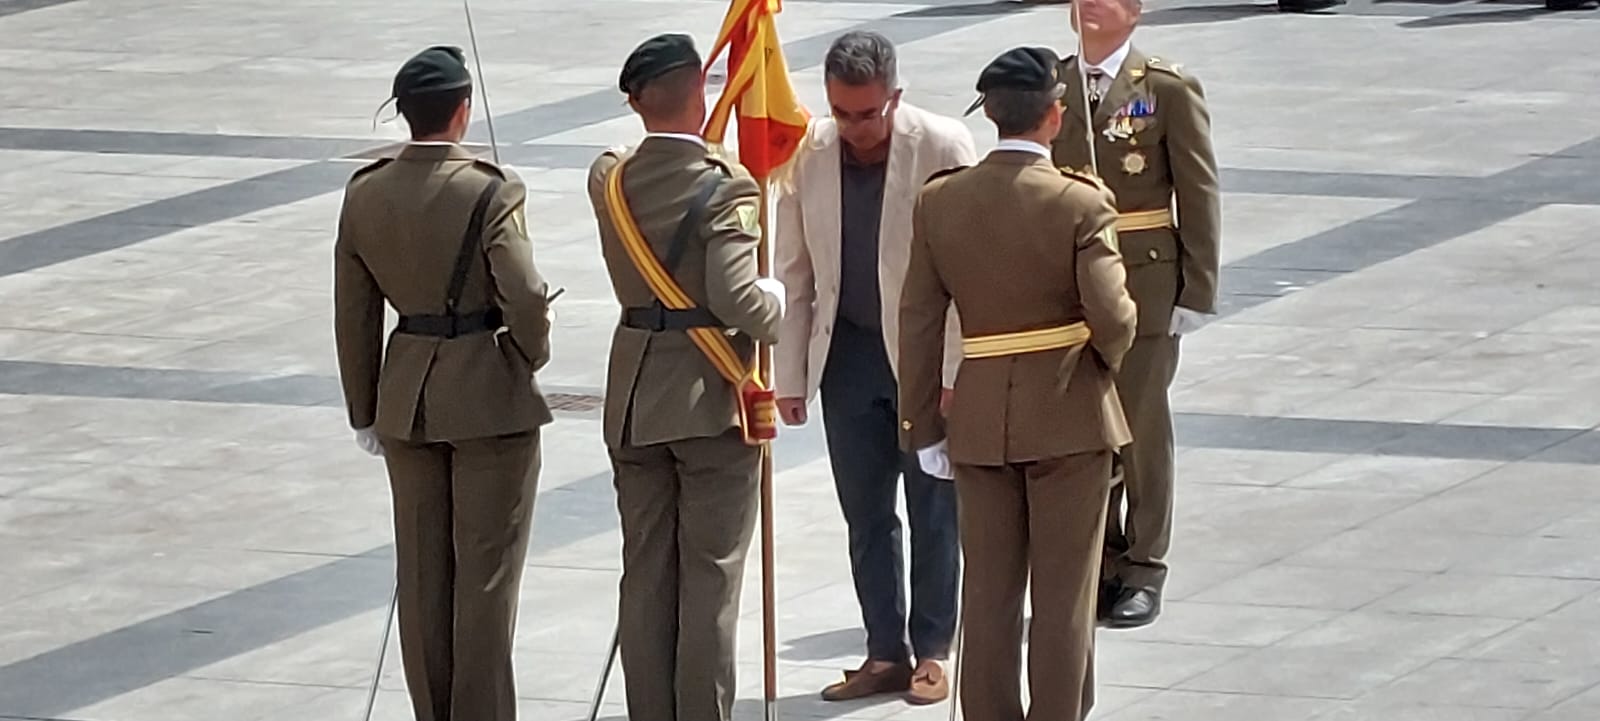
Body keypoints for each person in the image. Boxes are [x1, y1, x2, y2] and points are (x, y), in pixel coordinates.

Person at [899, 46, 1137, 721]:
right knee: (1064, 596)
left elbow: (917, 320)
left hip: (977, 420)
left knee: (988, 594)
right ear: (1055, 116)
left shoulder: (941, 202)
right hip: (1068, 413)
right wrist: (1102, 365)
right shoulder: (1079, 202)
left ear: (991, 116)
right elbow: (1115, 316)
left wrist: (921, 424)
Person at [333, 45, 555, 721]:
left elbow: (354, 311)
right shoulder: (491, 188)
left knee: (424, 576)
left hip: (406, 400)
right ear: (463, 111)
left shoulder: (365, 192)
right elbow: (523, 293)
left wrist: (364, 409)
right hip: (486, 395)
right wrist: (527, 353)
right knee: (484, 581)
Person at [585, 33, 786, 721]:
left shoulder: (607, 177)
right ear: (701, 92)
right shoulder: (726, 183)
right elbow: (737, 298)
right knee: (710, 576)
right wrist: (778, 308)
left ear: (636, 101)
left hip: (636, 397)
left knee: (645, 574)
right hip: (708, 401)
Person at [772, 30, 975, 705]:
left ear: (896, 95)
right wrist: (790, 377)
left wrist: (952, 372)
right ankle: (883, 649)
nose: (855, 128)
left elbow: (963, 279)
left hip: (920, 358)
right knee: (865, 513)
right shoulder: (810, 152)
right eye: (841, 112)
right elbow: (793, 273)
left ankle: (935, 649)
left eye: (867, 113)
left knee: (934, 507)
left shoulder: (943, 146)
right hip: (848, 358)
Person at [1051, 0, 1221, 629]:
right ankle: (1100, 558)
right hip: (1072, 284)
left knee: (1142, 425)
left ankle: (1144, 564)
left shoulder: (1166, 88)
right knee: (1086, 425)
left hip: (1145, 280)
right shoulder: (1054, 83)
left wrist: (1197, 290)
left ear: (1136, 11)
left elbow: (1197, 189)